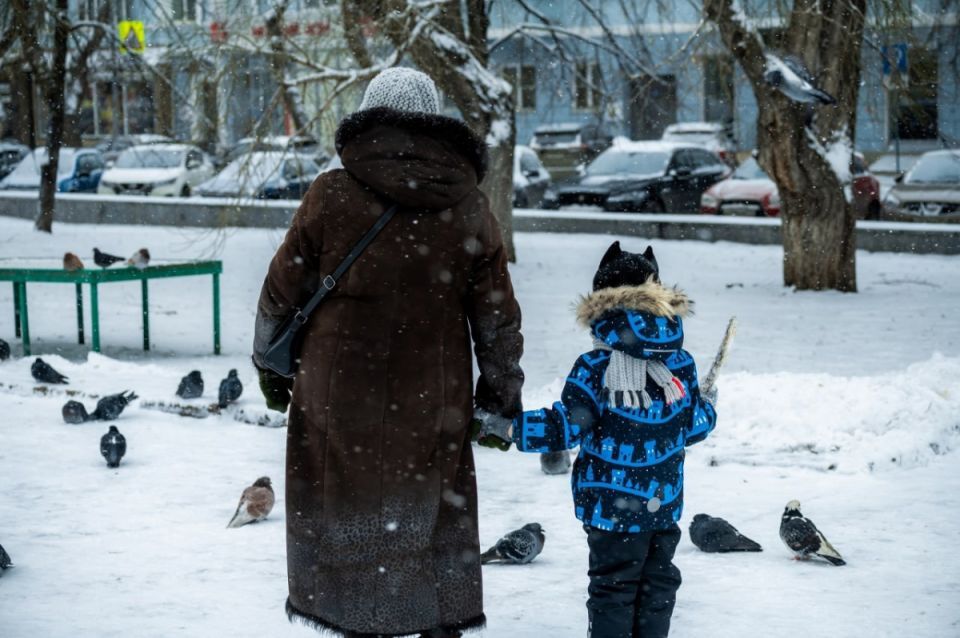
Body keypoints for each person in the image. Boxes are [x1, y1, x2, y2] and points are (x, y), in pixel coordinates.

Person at [253, 67, 524, 638]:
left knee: (342, 508)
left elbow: (281, 290)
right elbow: (497, 318)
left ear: (368, 118)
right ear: (433, 121)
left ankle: (356, 620)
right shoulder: (468, 204)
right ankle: (429, 616)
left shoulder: (331, 193)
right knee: (428, 510)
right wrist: (499, 400)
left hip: (336, 391)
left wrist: (270, 368)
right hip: (432, 394)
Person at [480, 241, 717, 638]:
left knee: (613, 588)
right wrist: (708, 404)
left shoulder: (596, 367)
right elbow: (693, 425)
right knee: (658, 584)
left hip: (612, 510)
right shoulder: (680, 363)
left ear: (601, 306)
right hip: (664, 504)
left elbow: (566, 428)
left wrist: (507, 428)